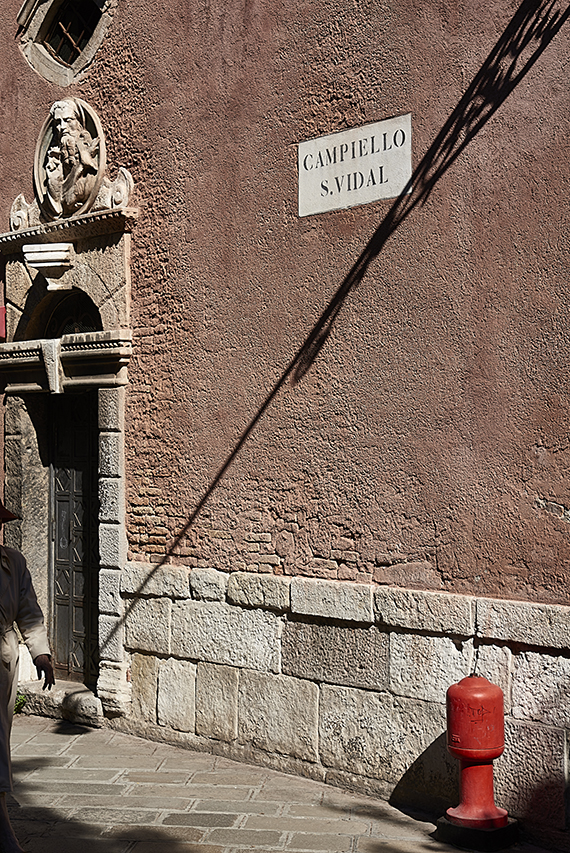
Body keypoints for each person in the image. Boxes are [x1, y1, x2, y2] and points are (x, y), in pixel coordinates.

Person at [0, 499, 54, 853]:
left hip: (2, 664)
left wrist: (41, 654)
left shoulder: (14, 563)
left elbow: (29, 612)